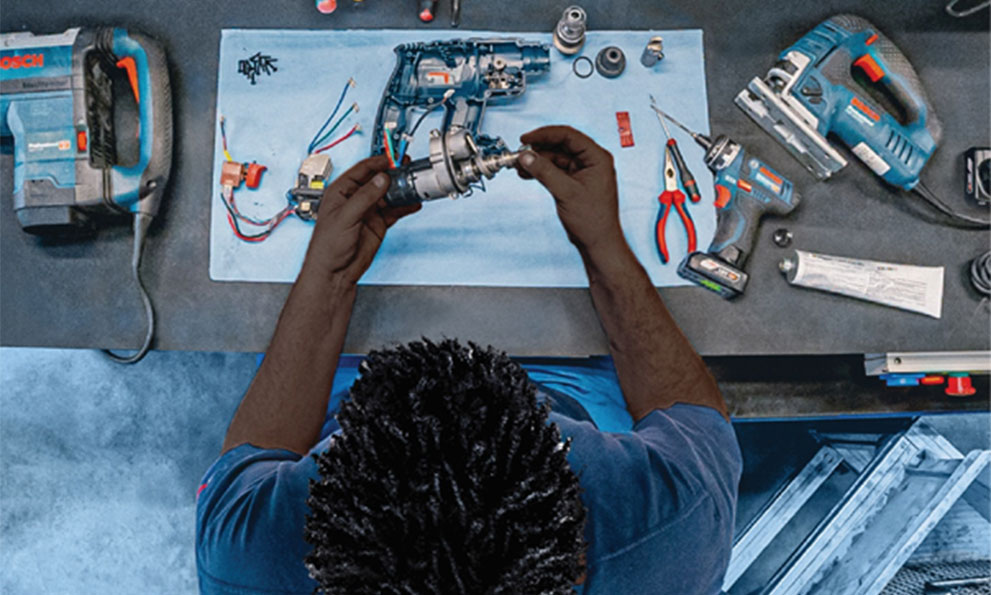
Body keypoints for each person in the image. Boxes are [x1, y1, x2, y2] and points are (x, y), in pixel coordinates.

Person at [195, 126, 742, 594]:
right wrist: (603, 246)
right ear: (578, 547)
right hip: (584, 395)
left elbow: (261, 450)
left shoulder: (248, 561)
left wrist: (329, 275)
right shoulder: (674, 536)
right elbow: (692, 412)